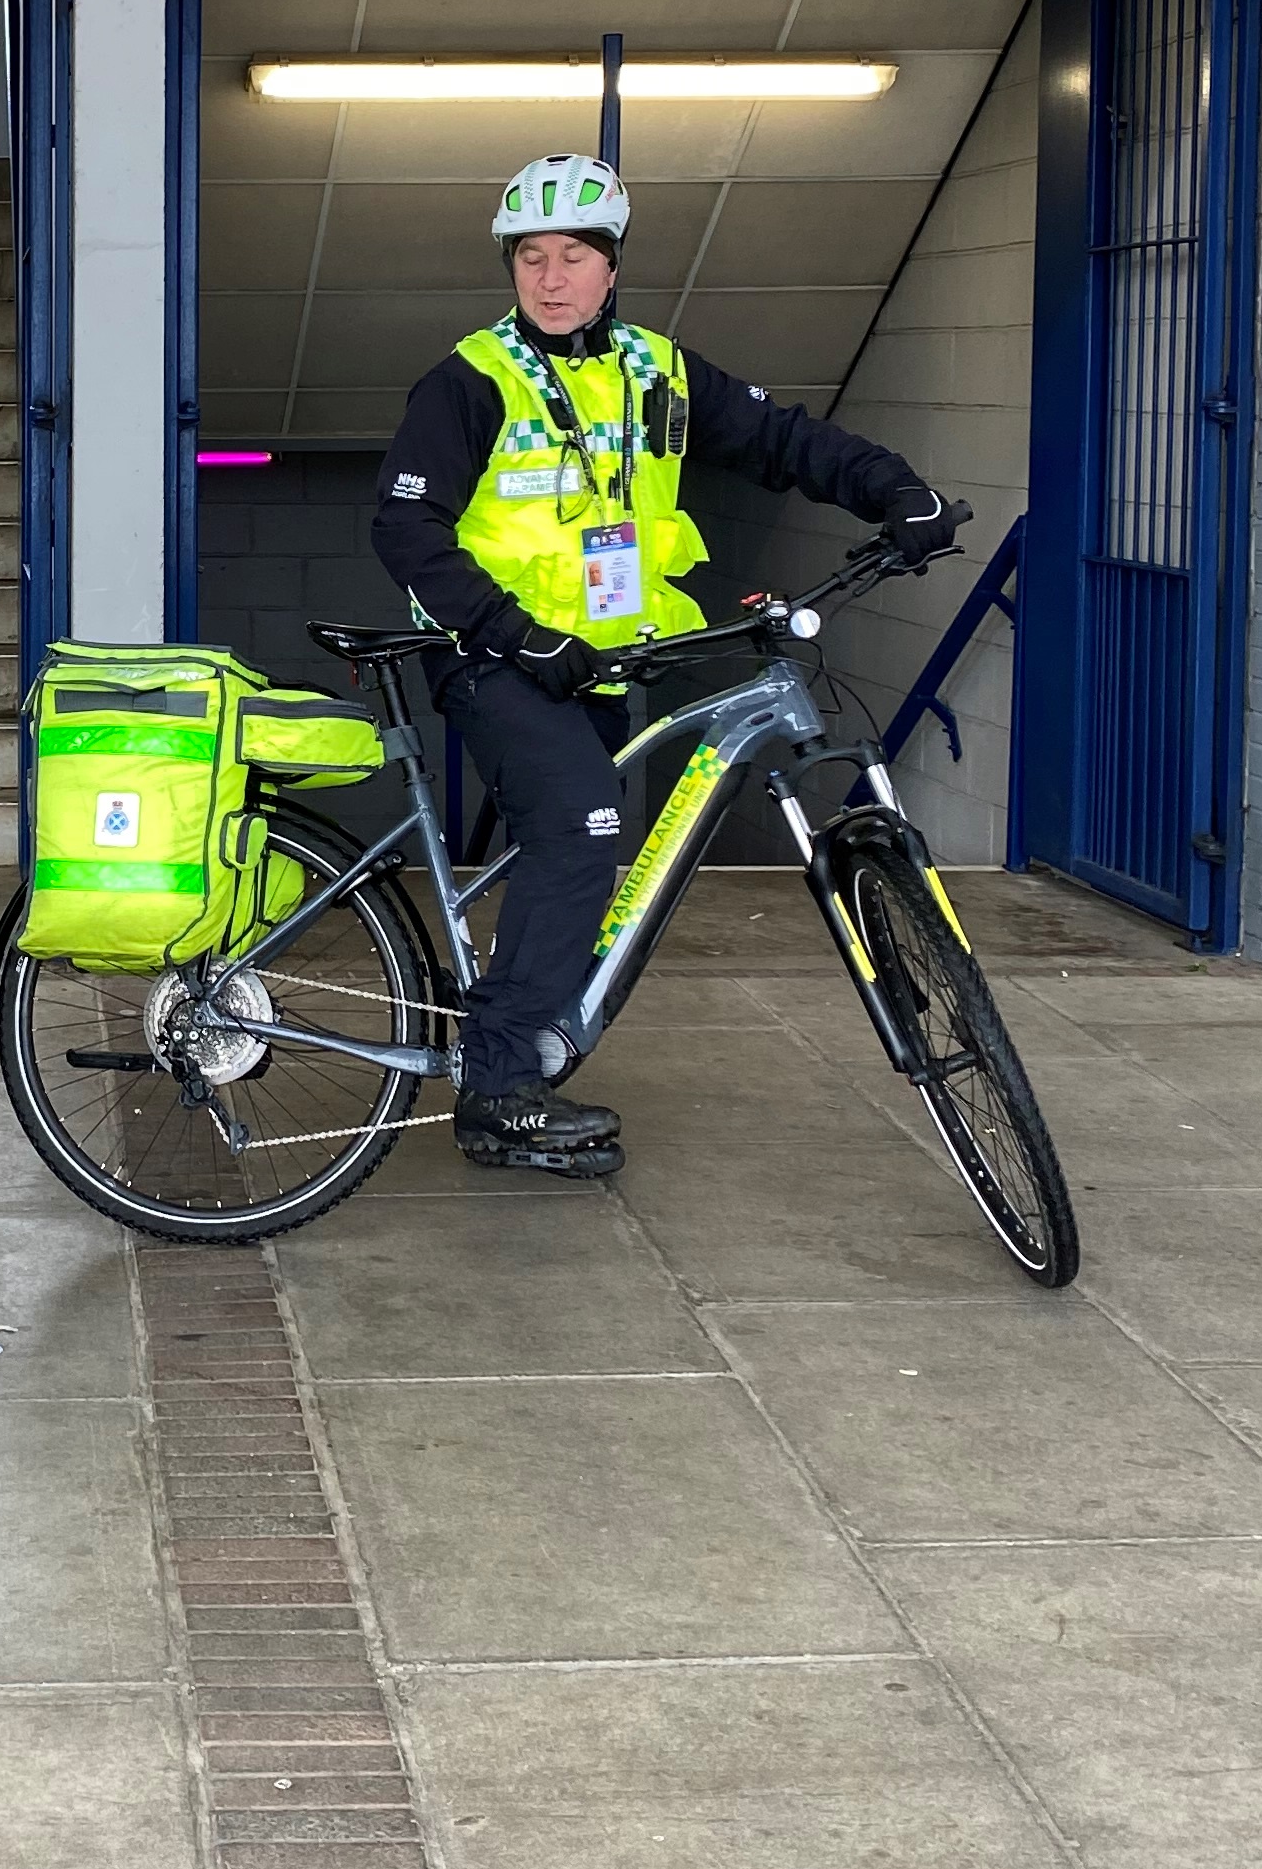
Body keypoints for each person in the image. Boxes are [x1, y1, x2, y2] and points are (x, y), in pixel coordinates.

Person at [369, 149, 958, 1175]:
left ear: (612, 266)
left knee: (583, 842)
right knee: (585, 822)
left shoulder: (657, 371)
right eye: (531, 259)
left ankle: (528, 1016)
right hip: (501, 660)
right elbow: (407, 527)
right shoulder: (473, 379)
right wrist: (519, 632)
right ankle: (499, 1089)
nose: (551, 280)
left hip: (607, 661)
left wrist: (898, 492)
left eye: (574, 258)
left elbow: (787, 441)